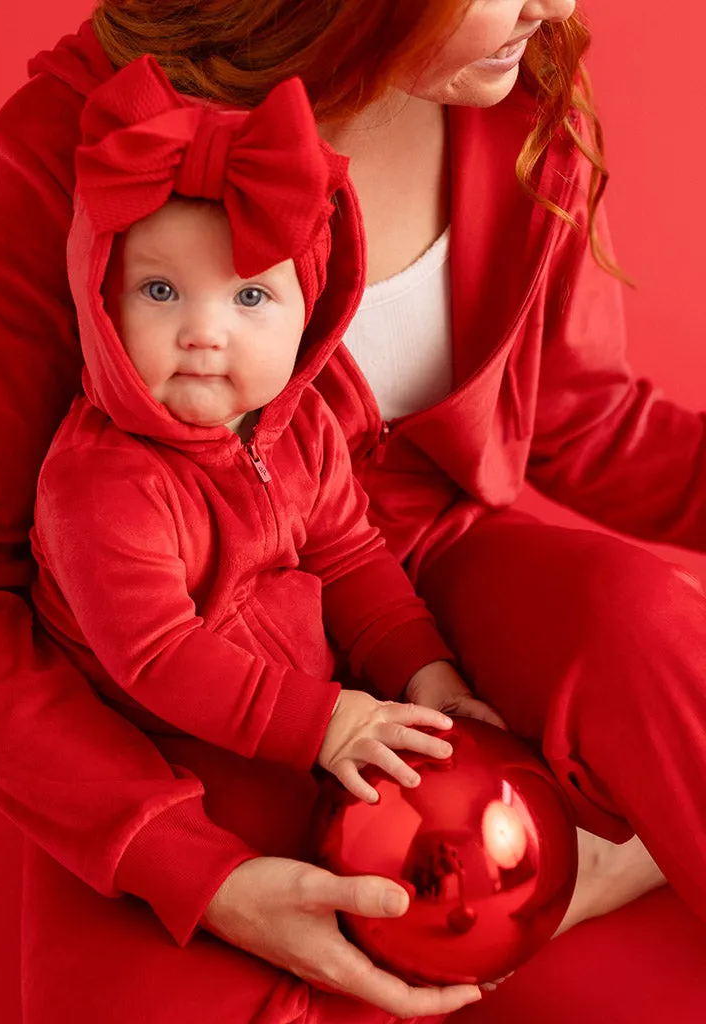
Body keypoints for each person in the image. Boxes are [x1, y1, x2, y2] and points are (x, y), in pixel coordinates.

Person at [0, 1, 706, 1021]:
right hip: (168, 690)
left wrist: (417, 659)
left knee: (644, 622)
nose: (555, 5)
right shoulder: (84, 136)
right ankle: (558, 866)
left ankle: (526, 877)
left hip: (417, 584)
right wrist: (190, 866)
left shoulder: (514, 76)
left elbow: (583, 419)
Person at [30, 56, 478, 810]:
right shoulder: (100, 482)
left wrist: (421, 668)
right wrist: (323, 721)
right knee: (297, 856)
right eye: (161, 291)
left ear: (309, 313)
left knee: (441, 795)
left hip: (308, 713)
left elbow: (348, 557)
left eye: (250, 295)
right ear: (100, 303)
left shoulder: (299, 427)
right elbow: (158, 656)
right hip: (173, 746)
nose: (204, 332)